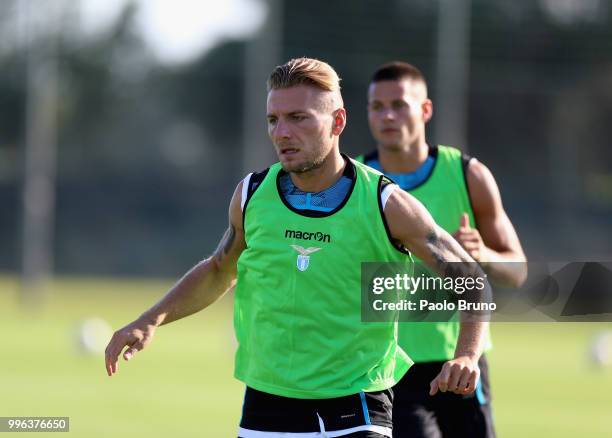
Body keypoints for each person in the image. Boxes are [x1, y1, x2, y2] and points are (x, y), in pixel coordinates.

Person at [105, 58, 489, 438]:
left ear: (337, 121)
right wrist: (149, 319)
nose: (282, 132)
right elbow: (221, 269)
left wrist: (468, 354)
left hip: (357, 410)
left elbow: (471, 279)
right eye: (274, 120)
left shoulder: (384, 203)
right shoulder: (252, 194)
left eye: (299, 118)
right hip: (266, 410)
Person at [358, 61, 527, 438]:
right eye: (376, 106)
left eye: (399, 104)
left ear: (425, 110)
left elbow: (518, 271)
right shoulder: (355, 183)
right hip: (389, 367)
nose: (387, 115)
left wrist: (482, 254)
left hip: (462, 361)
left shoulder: (468, 175)